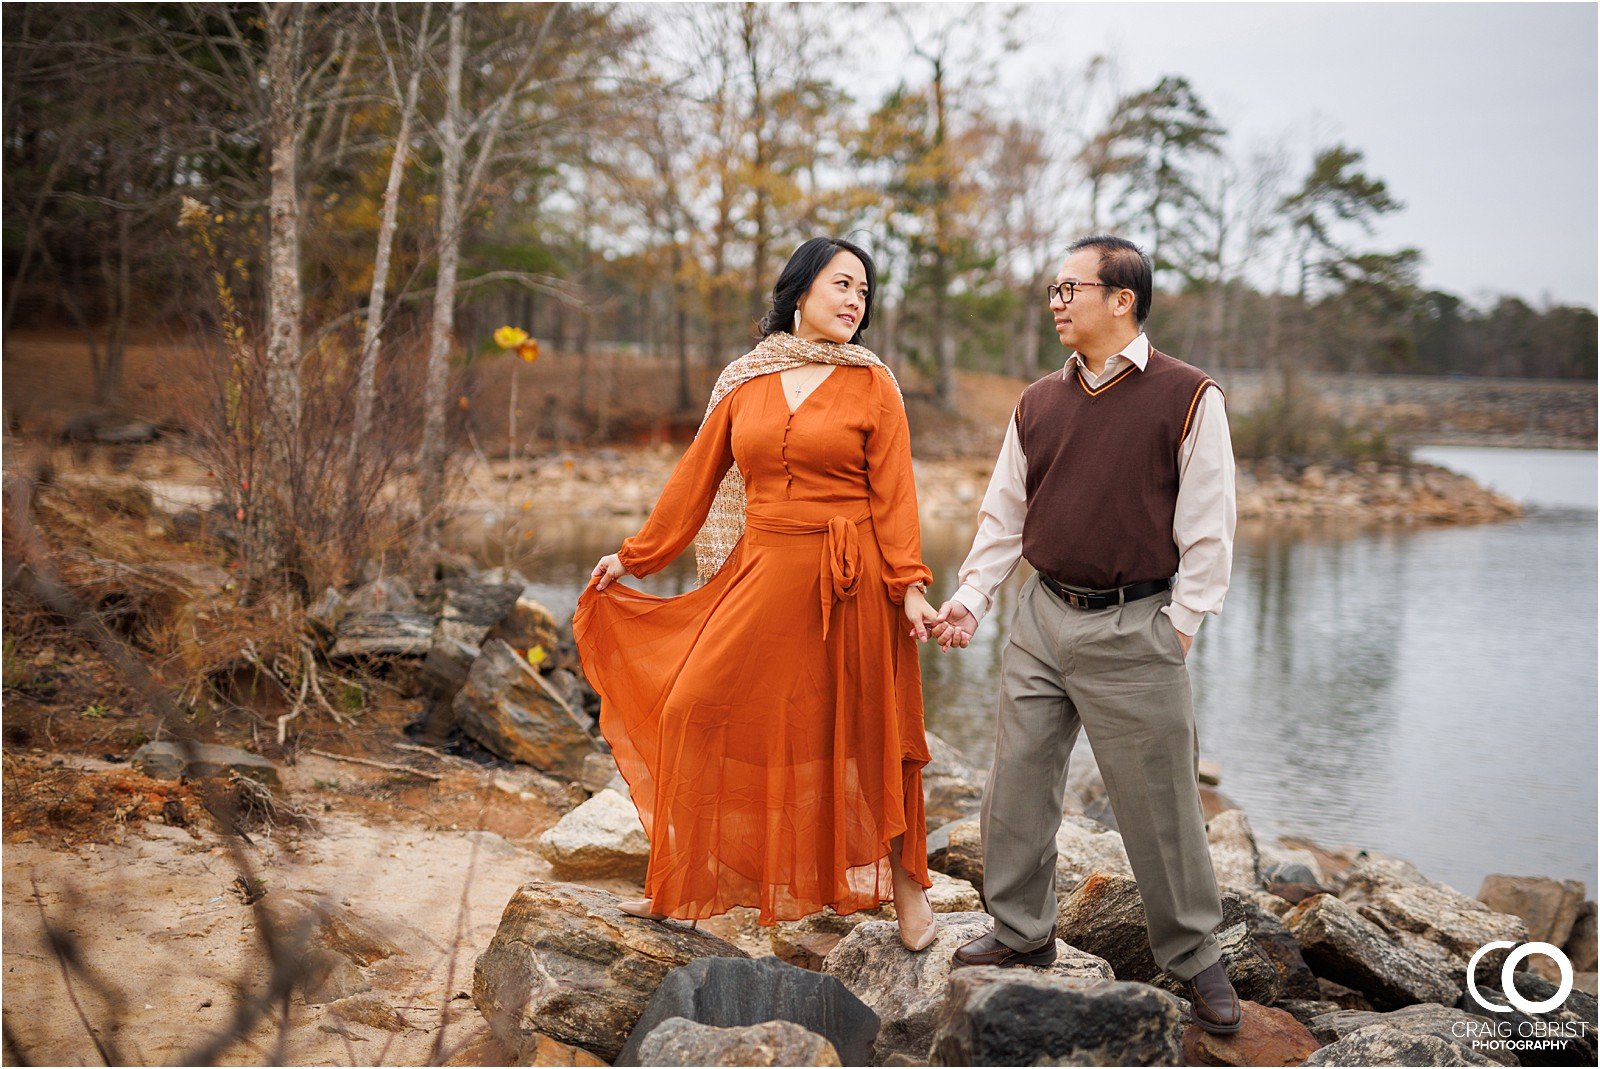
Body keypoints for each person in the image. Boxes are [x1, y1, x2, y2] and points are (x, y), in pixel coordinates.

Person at [574, 236, 942, 951]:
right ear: (799, 291)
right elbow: (694, 482)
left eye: (864, 292)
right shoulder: (745, 381)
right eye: (841, 285)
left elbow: (896, 497)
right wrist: (633, 557)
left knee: (875, 734)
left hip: (855, 578)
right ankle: (680, 882)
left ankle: (907, 893)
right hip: (765, 566)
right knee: (692, 705)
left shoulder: (875, 384)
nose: (853, 301)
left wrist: (911, 589)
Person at [930, 235, 1243, 1033]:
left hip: (1138, 624)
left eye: (1070, 288)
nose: (1057, 302)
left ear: (1122, 299)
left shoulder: (1188, 395)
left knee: (1160, 802)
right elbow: (1004, 514)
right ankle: (1022, 931)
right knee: (1018, 783)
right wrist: (971, 597)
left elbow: (1210, 525)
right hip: (1042, 615)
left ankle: (1195, 955)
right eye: (1054, 290)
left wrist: (1180, 626)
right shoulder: (1037, 400)